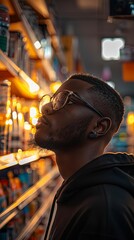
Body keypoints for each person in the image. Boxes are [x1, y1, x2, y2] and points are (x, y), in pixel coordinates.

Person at [35, 73, 134, 240]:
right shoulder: (77, 189)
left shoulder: (104, 211)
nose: (46, 108)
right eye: (51, 100)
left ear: (99, 126)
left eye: (64, 99)